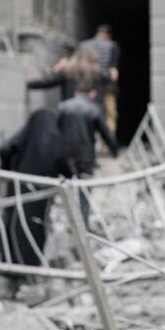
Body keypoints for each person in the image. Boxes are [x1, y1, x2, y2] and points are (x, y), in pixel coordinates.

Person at [0, 109, 69, 267]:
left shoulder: (26, 135)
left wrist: (7, 170)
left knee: (14, 222)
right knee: (35, 227)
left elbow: (4, 149)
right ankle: (31, 264)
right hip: (40, 192)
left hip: (18, 186)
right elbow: (63, 163)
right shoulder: (56, 138)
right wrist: (68, 177)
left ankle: (9, 261)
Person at [57, 80, 118, 230]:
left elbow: (56, 130)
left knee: (67, 190)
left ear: (76, 93)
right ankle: (82, 227)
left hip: (65, 158)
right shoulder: (93, 109)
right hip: (85, 158)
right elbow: (106, 134)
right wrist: (114, 150)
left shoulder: (63, 107)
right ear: (92, 93)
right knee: (84, 193)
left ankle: (68, 224)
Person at [80, 24, 121, 137]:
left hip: (89, 87)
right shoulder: (112, 46)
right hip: (107, 87)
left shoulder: (85, 45)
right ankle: (108, 141)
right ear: (108, 35)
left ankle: (92, 139)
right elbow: (113, 73)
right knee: (110, 114)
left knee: (90, 113)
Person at [27, 45, 104, 101]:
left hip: (68, 112)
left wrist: (28, 83)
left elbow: (48, 82)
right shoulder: (97, 74)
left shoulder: (68, 71)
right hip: (89, 114)